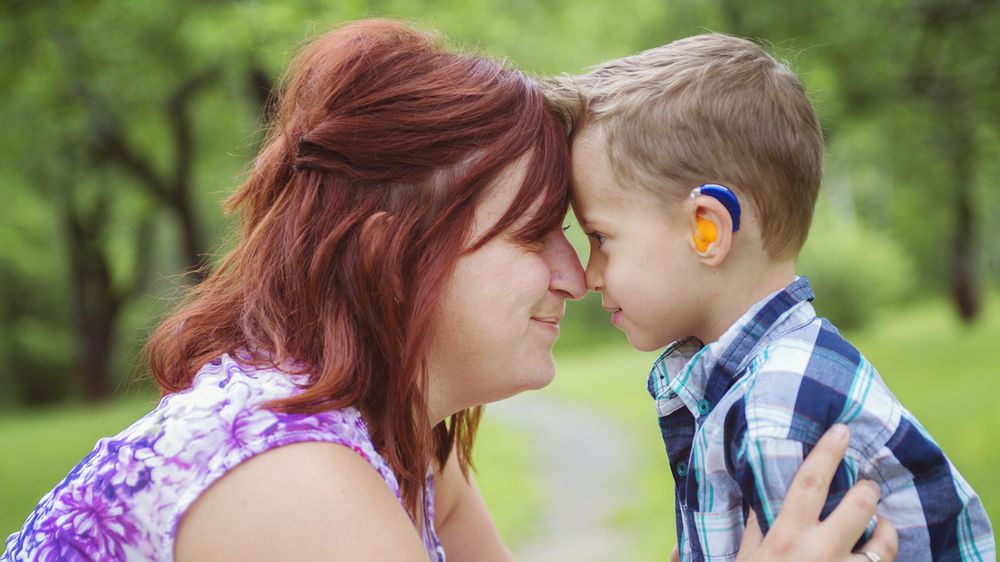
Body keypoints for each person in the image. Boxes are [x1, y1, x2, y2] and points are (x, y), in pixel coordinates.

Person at [2, 21, 898, 562]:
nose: (575, 275)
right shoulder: (299, 486)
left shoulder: (402, 440)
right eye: (534, 233)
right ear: (395, 257)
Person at [557, 33, 995, 561]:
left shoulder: (777, 408)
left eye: (600, 238)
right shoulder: (766, 379)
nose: (588, 275)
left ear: (707, 230)